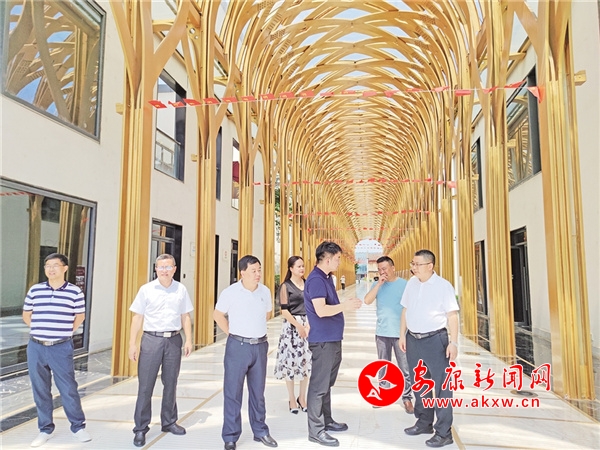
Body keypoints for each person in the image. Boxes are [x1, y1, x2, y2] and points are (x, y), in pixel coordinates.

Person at [22, 253, 92, 447]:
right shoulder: (35, 290)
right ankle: (45, 429)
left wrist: (66, 331)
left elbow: (80, 316)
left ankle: (78, 427)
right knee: (40, 389)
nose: (51, 269)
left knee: (68, 388)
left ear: (65, 268)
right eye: (47, 266)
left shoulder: (74, 292)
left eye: (55, 265)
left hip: (61, 347)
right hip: (36, 347)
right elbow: (26, 314)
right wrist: (39, 330)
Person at [128, 254, 193, 447]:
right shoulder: (146, 289)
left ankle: (169, 422)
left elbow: (185, 316)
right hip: (151, 340)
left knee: (171, 383)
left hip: (173, 340)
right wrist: (132, 343)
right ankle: (140, 428)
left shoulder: (181, 289)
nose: (164, 270)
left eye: (168, 267)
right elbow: (137, 318)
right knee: (145, 385)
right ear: (156, 269)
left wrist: (189, 340)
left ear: (174, 269)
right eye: (161, 267)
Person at [214, 255, 278, 450]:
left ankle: (260, 431)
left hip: (260, 346)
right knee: (233, 392)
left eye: (259, 270)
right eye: (253, 271)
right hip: (237, 347)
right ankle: (230, 436)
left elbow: (267, 314)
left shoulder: (265, 291)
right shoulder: (231, 292)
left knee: (258, 392)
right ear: (242, 272)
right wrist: (232, 333)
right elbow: (218, 314)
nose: (258, 274)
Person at [399, 249, 459, 448]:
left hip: (435, 340)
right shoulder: (412, 283)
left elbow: (452, 316)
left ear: (430, 266)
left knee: (442, 387)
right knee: (420, 383)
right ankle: (424, 422)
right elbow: (405, 310)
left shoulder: (443, 286)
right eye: (412, 264)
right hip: (413, 339)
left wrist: (453, 342)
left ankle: (444, 432)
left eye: (417, 264)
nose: (413, 267)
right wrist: (402, 335)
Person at [304, 241, 362, 447]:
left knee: (326, 384)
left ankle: (326, 420)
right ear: (327, 259)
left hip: (332, 338)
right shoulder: (316, 280)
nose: (339, 262)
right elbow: (321, 310)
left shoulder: (326, 278)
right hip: (323, 341)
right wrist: (345, 306)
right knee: (318, 386)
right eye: (337, 258)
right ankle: (316, 430)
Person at [363, 256, 413, 414]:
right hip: (382, 332)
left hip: (400, 333)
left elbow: (411, 308)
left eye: (384, 268)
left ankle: (407, 398)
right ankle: (384, 394)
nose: (382, 272)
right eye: (379, 269)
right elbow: (367, 300)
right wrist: (379, 284)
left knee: (405, 367)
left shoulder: (404, 285)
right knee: (383, 367)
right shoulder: (377, 285)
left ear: (393, 268)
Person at [274, 256, 311, 414]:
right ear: (291, 268)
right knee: (290, 362)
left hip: (308, 325)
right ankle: (291, 398)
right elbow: (284, 310)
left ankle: (302, 397)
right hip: (291, 327)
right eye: (298, 266)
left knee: (306, 362)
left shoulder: (308, 284)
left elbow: (312, 306)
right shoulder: (285, 286)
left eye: (303, 266)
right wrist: (298, 326)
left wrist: (308, 325)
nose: (302, 269)